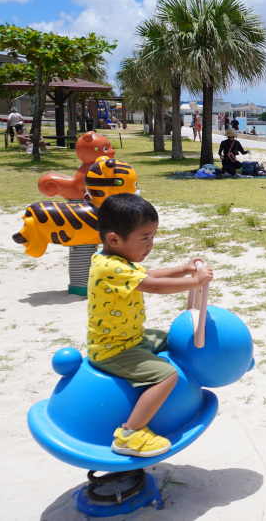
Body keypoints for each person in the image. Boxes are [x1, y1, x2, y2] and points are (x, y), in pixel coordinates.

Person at [87, 193, 213, 457]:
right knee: (166, 376)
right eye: (144, 238)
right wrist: (195, 282)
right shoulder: (111, 268)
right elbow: (153, 285)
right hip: (115, 350)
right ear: (114, 239)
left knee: (168, 339)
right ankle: (130, 434)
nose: (151, 244)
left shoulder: (111, 259)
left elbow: (148, 274)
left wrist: (183, 269)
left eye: (153, 236)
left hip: (132, 337)